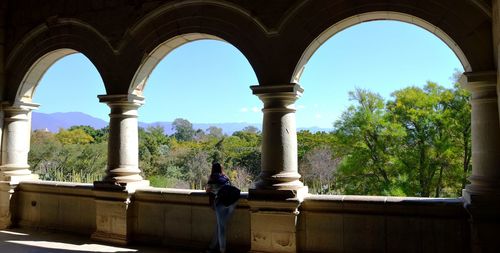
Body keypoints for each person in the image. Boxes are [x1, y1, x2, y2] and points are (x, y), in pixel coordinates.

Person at [205, 162, 237, 253]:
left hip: (221, 203)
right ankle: (212, 246)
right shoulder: (226, 177)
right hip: (232, 203)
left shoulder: (212, 178)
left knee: (222, 228)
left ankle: (222, 250)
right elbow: (230, 187)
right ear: (221, 169)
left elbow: (207, 190)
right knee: (220, 225)